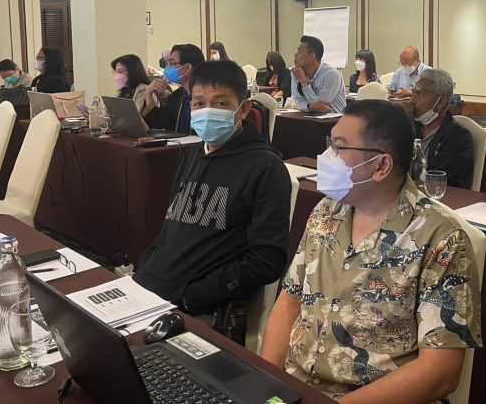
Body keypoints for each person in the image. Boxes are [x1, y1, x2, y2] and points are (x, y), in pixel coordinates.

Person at [261, 100, 482, 401]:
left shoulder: (441, 238)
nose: (327, 157)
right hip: (297, 388)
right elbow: (290, 300)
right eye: (330, 144)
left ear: (381, 166)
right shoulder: (327, 211)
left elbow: (441, 372)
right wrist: (268, 385)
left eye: (339, 147)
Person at [135, 60, 291, 319]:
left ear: (243, 109)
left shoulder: (265, 168)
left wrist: (192, 297)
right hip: (147, 292)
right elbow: (171, 225)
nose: (208, 111)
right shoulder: (195, 154)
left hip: (192, 308)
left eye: (220, 103)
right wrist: (144, 268)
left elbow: (267, 260)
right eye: (199, 104)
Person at [411, 68, 474, 189]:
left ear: (441, 102)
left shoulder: (458, 137)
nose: (413, 99)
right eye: (413, 92)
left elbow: (436, 179)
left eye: (420, 93)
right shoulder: (411, 128)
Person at [144, 44, 205, 133]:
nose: (167, 68)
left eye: (172, 63)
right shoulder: (177, 95)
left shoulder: (206, 96)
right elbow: (158, 122)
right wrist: (148, 93)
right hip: (177, 141)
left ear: (187, 68)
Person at [290, 35, 346, 113]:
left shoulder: (331, 74)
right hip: (308, 116)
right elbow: (297, 101)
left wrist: (304, 82)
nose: (295, 55)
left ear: (311, 57)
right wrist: (309, 107)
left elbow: (321, 106)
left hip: (335, 117)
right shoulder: (297, 72)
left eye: (299, 52)